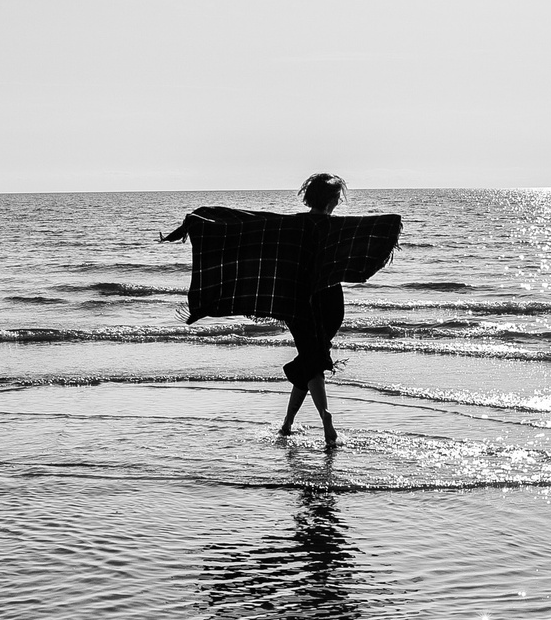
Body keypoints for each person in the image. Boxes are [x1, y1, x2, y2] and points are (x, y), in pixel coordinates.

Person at [161, 174, 402, 446]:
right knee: (311, 360)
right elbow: (376, 230)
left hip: (297, 302)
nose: (339, 201)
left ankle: (316, 420)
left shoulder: (292, 225)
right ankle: (295, 423)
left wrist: (200, 220)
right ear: (330, 200)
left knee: (311, 359)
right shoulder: (338, 228)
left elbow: (249, 224)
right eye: (337, 197)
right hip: (331, 303)